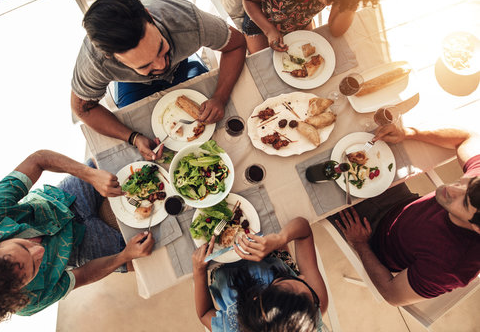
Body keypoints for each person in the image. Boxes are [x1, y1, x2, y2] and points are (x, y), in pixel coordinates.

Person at [0, 150, 154, 328]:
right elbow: (83, 276)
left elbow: (39, 160)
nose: (39, 251)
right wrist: (123, 256)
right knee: (151, 254)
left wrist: (90, 175)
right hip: (80, 249)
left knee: (128, 159)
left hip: (63, 199)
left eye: (23, 246)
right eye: (34, 267)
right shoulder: (27, 302)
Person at [71, 0, 247, 161]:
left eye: (161, 48)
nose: (162, 65)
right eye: (145, 65)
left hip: (183, 66)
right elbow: (83, 109)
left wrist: (220, 97)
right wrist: (133, 137)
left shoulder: (186, 20)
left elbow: (236, 44)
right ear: (111, 58)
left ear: (149, 17)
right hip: (133, 84)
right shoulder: (95, 62)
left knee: (217, 131)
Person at [332, 123, 480, 306]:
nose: (451, 188)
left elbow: (392, 294)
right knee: (344, 139)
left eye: (463, 202)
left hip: (370, 236)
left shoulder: (451, 266)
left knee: (311, 182)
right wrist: (409, 132)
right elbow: (468, 137)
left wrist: (360, 244)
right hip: (401, 200)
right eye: (466, 180)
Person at [192, 217, 328, 331]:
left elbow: (204, 313)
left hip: (223, 269)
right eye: (306, 285)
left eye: (282, 280)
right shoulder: (312, 306)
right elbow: (304, 231)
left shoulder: (231, 327)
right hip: (272, 254)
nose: (302, 276)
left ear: (256, 297)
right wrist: (281, 239)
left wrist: (199, 272)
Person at [242, 0, 394, 53]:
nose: (328, 3)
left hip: (300, 23)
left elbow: (336, 30)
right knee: (267, 68)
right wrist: (269, 31)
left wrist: (350, 1)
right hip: (262, 23)